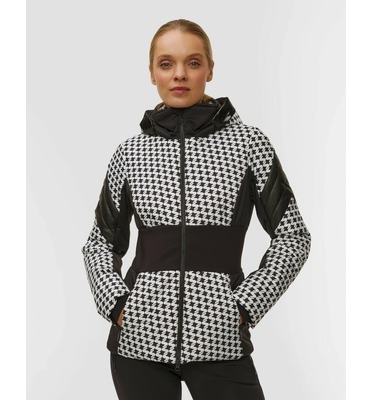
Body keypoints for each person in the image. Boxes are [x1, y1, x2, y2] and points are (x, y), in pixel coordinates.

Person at [82, 18, 311, 400]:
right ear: (152, 73)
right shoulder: (130, 153)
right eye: (166, 63)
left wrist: (245, 306)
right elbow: (99, 243)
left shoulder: (249, 145)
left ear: (210, 69)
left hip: (220, 339)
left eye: (193, 62)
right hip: (137, 343)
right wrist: (118, 304)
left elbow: (293, 236)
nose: (179, 75)